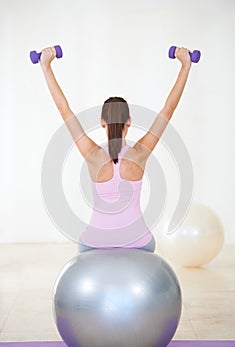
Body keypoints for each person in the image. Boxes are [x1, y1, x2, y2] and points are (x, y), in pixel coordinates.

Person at [39, 46, 192, 253]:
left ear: (102, 122)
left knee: (82, 243)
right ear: (129, 121)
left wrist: (46, 66)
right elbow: (169, 109)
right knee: (150, 242)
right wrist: (185, 65)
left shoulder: (92, 154)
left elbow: (64, 109)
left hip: (95, 243)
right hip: (137, 242)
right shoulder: (141, 152)